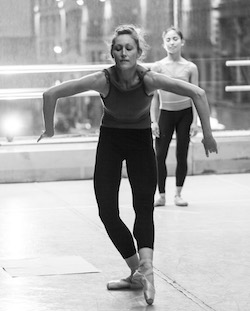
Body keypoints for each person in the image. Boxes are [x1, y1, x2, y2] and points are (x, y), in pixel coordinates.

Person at [37, 24, 217, 305]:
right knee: (107, 211)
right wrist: (49, 129)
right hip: (110, 141)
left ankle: (148, 271)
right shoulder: (103, 79)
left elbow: (199, 94)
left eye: (129, 48)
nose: (123, 52)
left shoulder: (149, 79)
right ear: (112, 52)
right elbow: (51, 94)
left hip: (140, 142)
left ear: (138, 52)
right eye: (118, 48)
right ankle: (137, 272)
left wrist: (207, 134)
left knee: (143, 208)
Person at [151, 26, 200, 207]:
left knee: (182, 154)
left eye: (175, 39)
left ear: (182, 42)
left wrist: (195, 121)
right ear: (164, 44)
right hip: (165, 114)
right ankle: (161, 195)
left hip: (185, 114)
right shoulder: (157, 67)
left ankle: (178, 194)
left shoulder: (190, 67)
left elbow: (196, 95)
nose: (172, 42)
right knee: (159, 155)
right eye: (168, 40)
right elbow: (154, 97)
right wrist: (153, 121)